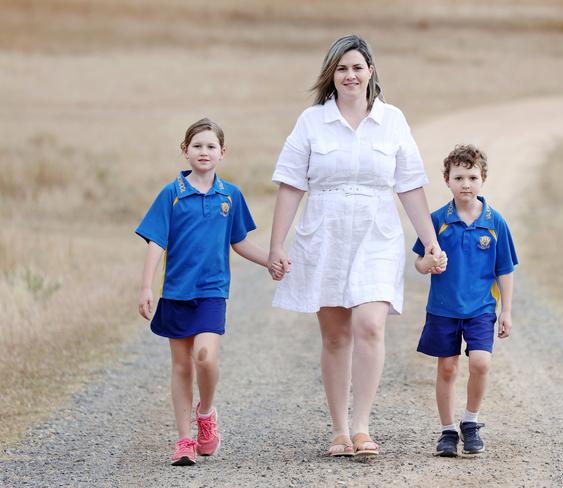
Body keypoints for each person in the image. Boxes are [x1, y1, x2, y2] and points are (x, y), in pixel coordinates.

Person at [268, 34, 445, 457]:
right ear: (332, 74)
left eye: (357, 67)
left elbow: (410, 187)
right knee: (335, 335)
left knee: (370, 324)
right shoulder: (311, 121)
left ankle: (363, 426)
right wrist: (277, 245)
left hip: (376, 233)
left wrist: (431, 243)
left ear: (370, 72)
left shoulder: (393, 120)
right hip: (325, 234)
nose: (350, 75)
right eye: (342, 68)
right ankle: (339, 430)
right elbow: (291, 186)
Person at [136, 118, 279, 466]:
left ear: (222, 153)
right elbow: (157, 240)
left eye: (211, 146)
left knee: (205, 357)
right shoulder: (172, 194)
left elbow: (240, 240)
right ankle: (184, 439)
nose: (204, 151)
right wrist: (146, 286)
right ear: (185, 151)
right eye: (197, 146)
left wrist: (270, 261)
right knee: (182, 365)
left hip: (212, 291)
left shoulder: (230, 195)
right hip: (175, 292)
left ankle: (207, 413)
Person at [413, 144, 518, 457]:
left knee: (481, 362)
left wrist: (507, 311)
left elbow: (505, 270)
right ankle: (447, 431)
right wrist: (428, 264)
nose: (466, 184)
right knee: (447, 368)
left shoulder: (495, 222)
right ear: (447, 180)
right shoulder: (436, 221)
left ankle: (470, 422)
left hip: (481, 309)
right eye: (459, 177)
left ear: (483, 179)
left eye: (472, 177)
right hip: (443, 309)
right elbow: (419, 263)